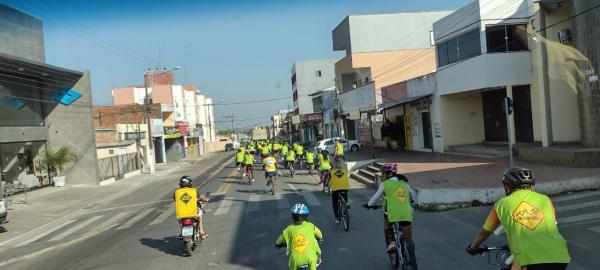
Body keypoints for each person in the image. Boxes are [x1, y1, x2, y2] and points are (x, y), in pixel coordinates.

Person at [467, 167, 571, 270]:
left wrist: (473, 247)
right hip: (559, 256)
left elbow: (485, 232)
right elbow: (551, 223)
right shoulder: (546, 200)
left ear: (507, 186)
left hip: (529, 259)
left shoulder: (502, 204)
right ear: (531, 185)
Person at [363, 163, 417, 269]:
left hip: (391, 213)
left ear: (389, 174)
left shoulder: (385, 184)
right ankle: (411, 254)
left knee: (387, 224)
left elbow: (375, 197)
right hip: (406, 213)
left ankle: (392, 243)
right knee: (409, 239)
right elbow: (411, 196)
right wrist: (410, 204)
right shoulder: (404, 183)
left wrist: (368, 205)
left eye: (383, 174)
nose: (381, 176)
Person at [275, 204, 323, 270]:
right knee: (316, 252)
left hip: (295, 260)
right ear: (306, 216)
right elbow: (319, 234)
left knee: (292, 264)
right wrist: (320, 238)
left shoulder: (289, 229)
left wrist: (278, 245)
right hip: (310, 258)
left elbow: (279, 240)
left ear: (293, 216)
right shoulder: (311, 226)